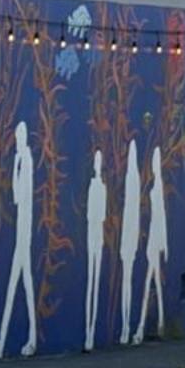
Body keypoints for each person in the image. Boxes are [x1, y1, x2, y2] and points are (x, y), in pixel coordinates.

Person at [0, 121, 37, 359]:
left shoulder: (26, 161)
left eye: (20, 137)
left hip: (23, 233)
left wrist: (16, 165)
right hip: (22, 232)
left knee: (19, 287)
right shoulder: (24, 160)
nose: (17, 142)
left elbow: (18, 196)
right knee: (20, 287)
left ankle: (18, 338)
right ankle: (24, 338)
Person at [134, 145, 168, 344]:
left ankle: (144, 324)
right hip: (152, 240)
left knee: (150, 281)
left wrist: (164, 243)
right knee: (153, 281)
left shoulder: (157, 186)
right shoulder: (152, 185)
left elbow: (161, 215)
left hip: (155, 239)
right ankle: (160, 322)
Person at [119, 137, 141, 345]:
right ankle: (126, 326)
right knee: (127, 281)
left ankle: (127, 326)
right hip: (128, 238)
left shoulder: (133, 181)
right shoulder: (130, 180)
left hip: (129, 239)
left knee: (128, 281)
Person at [85, 149, 107, 351]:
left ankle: (92, 332)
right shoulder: (92, 187)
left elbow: (99, 216)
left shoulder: (101, 188)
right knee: (90, 284)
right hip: (91, 237)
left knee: (95, 283)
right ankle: (88, 335)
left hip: (97, 237)